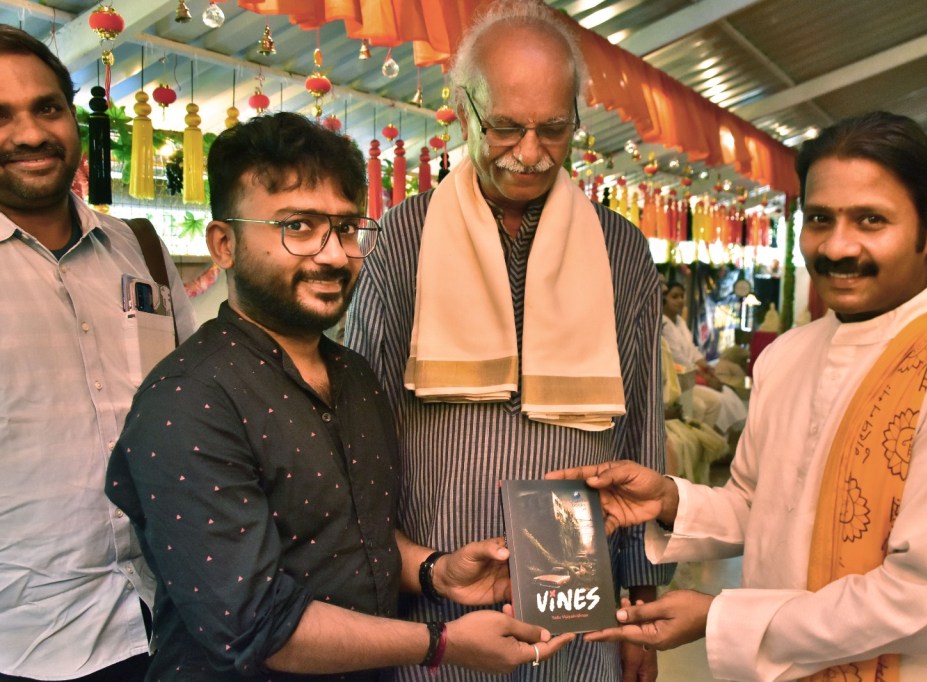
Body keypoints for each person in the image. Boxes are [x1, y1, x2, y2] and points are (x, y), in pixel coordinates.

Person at [550, 111, 927, 681]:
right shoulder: (786, 356)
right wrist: (669, 500)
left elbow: (926, 598)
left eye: (871, 220)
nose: (838, 247)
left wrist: (722, 617)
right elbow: (763, 506)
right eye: (820, 219)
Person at [105, 112, 571, 681]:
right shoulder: (187, 402)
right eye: (298, 226)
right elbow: (255, 626)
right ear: (224, 244)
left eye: (347, 228)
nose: (332, 254)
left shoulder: (355, 375)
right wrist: (442, 643)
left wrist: (436, 572)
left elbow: (354, 536)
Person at [346, 1, 673, 679]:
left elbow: (642, 424)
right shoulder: (404, 238)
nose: (529, 153)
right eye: (504, 127)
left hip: (579, 606)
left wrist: (642, 603)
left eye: (553, 129)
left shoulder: (618, 249)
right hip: (438, 599)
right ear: (462, 109)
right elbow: (361, 432)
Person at [0, 25, 196, 681]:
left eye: (47, 108)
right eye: (1, 117)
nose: (31, 134)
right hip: (27, 645)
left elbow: (194, 405)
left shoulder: (140, 249)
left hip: (175, 621)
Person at [661, 281, 747, 434]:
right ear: (664, 299)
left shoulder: (680, 321)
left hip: (694, 373)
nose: (680, 300)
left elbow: (692, 350)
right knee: (717, 401)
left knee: (728, 393)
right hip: (681, 379)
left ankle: (724, 439)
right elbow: (678, 358)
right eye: (675, 297)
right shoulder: (663, 324)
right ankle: (709, 440)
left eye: (682, 296)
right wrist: (704, 376)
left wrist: (707, 367)